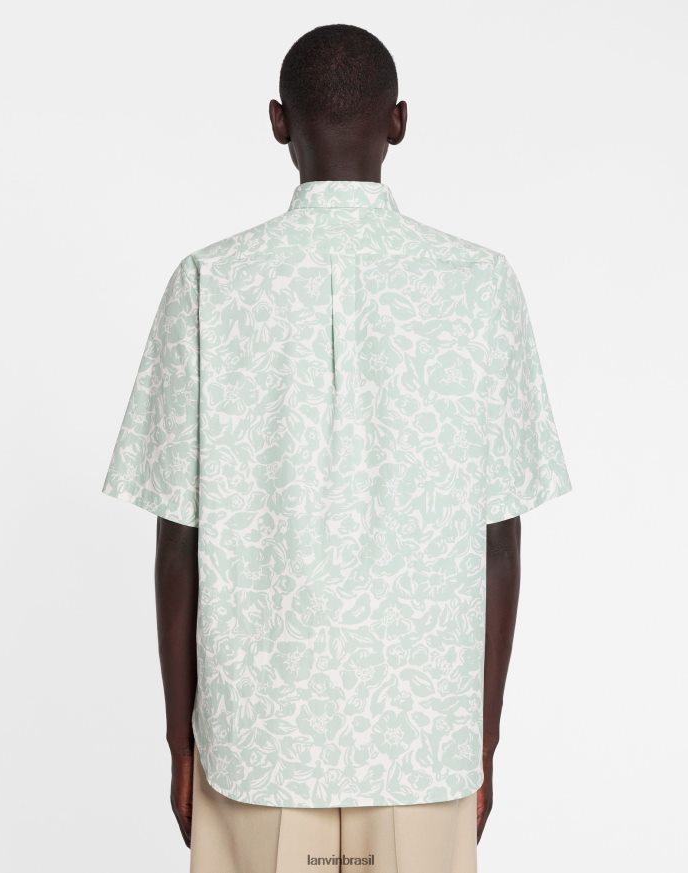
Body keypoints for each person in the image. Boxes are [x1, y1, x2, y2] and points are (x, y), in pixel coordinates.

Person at [101, 22, 572, 873]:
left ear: (278, 123)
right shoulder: (479, 283)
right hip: (423, 739)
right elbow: (499, 539)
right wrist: (481, 740)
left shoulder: (210, 281)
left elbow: (178, 542)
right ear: (398, 121)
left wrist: (181, 742)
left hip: (258, 740)